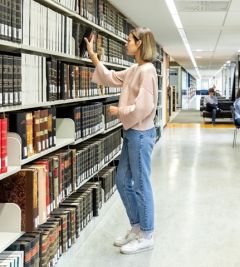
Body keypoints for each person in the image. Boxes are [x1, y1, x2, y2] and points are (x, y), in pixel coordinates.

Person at [85, 27, 158, 254]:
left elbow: (146, 107)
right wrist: (94, 57)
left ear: (140, 43)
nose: (126, 43)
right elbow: (111, 77)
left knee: (140, 185)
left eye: (129, 40)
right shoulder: (136, 69)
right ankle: (137, 228)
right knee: (122, 181)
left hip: (140, 134)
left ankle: (146, 234)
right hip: (131, 133)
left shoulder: (148, 71)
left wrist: (119, 111)